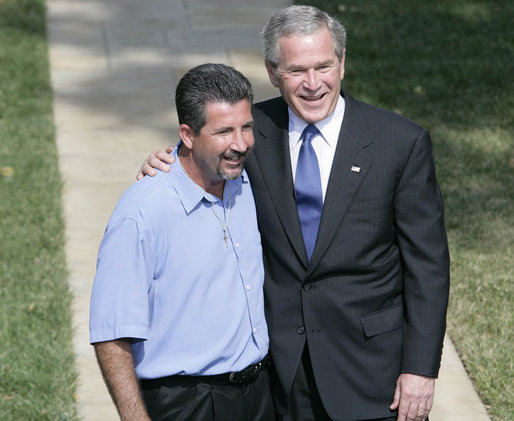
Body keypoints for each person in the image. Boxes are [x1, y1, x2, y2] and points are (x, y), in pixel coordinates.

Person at [138, 5, 450, 421]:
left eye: (324, 66)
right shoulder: (251, 133)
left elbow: (428, 267)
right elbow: (202, 155)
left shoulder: (399, 143)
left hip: (374, 375)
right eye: (297, 70)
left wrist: (420, 369)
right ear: (272, 71)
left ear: (342, 62)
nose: (313, 83)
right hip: (278, 377)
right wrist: (165, 164)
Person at [89, 63, 274, 421]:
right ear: (187, 135)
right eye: (223, 132)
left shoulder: (246, 180)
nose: (240, 144)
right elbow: (111, 334)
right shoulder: (142, 213)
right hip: (186, 405)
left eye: (246, 127)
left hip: (258, 394)